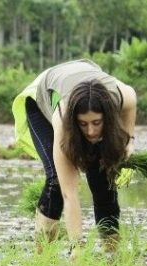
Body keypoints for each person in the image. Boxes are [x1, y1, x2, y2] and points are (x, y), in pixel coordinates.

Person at [12, 59, 137, 255]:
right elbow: (69, 194)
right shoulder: (63, 120)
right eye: (84, 124)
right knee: (56, 181)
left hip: (84, 79)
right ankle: (42, 255)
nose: (91, 131)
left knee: (104, 177)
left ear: (107, 116)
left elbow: (132, 101)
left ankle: (112, 252)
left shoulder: (119, 97)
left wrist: (129, 141)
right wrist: (77, 247)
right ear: (74, 121)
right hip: (42, 97)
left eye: (97, 122)